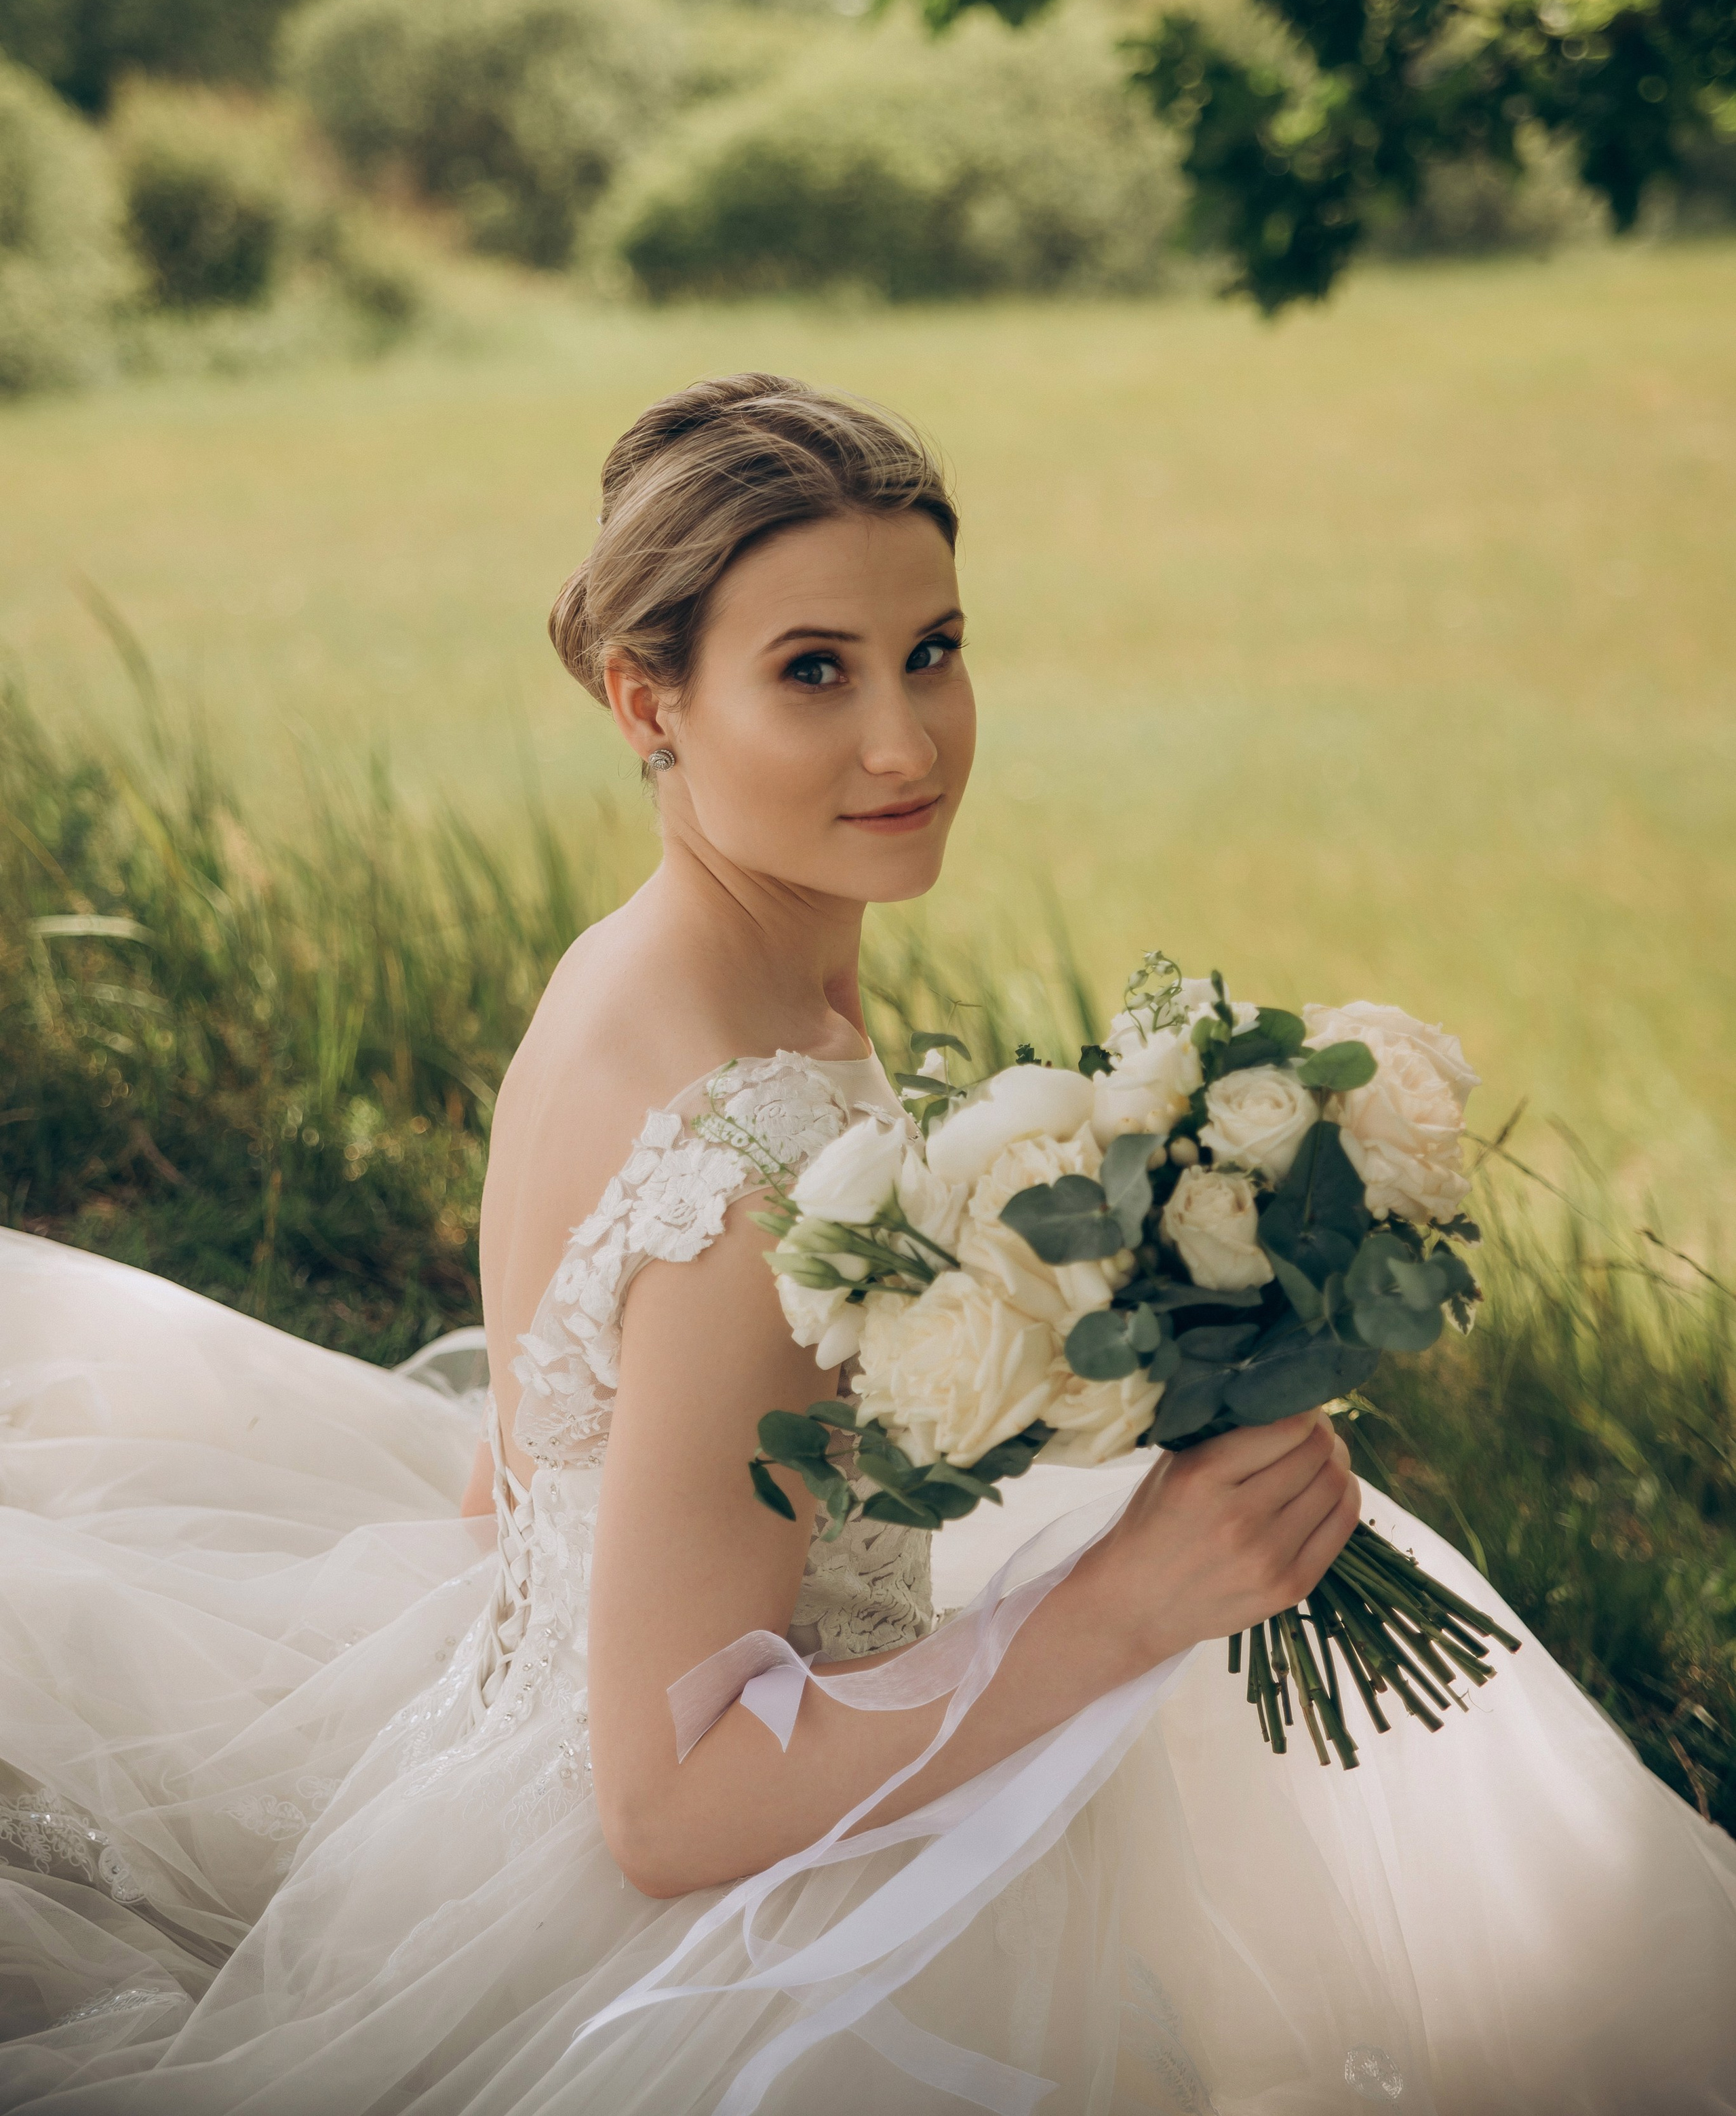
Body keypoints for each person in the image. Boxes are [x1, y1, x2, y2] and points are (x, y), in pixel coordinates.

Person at [1, 374, 1731, 2116]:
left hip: (548, 1676)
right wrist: (1109, 1613)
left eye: (934, 649)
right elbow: (664, 1811)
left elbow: (530, 1444)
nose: (905, 743)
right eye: (812, 670)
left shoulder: (670, 959)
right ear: (644, 701)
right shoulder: (751, 1161)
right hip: (703, 1875)